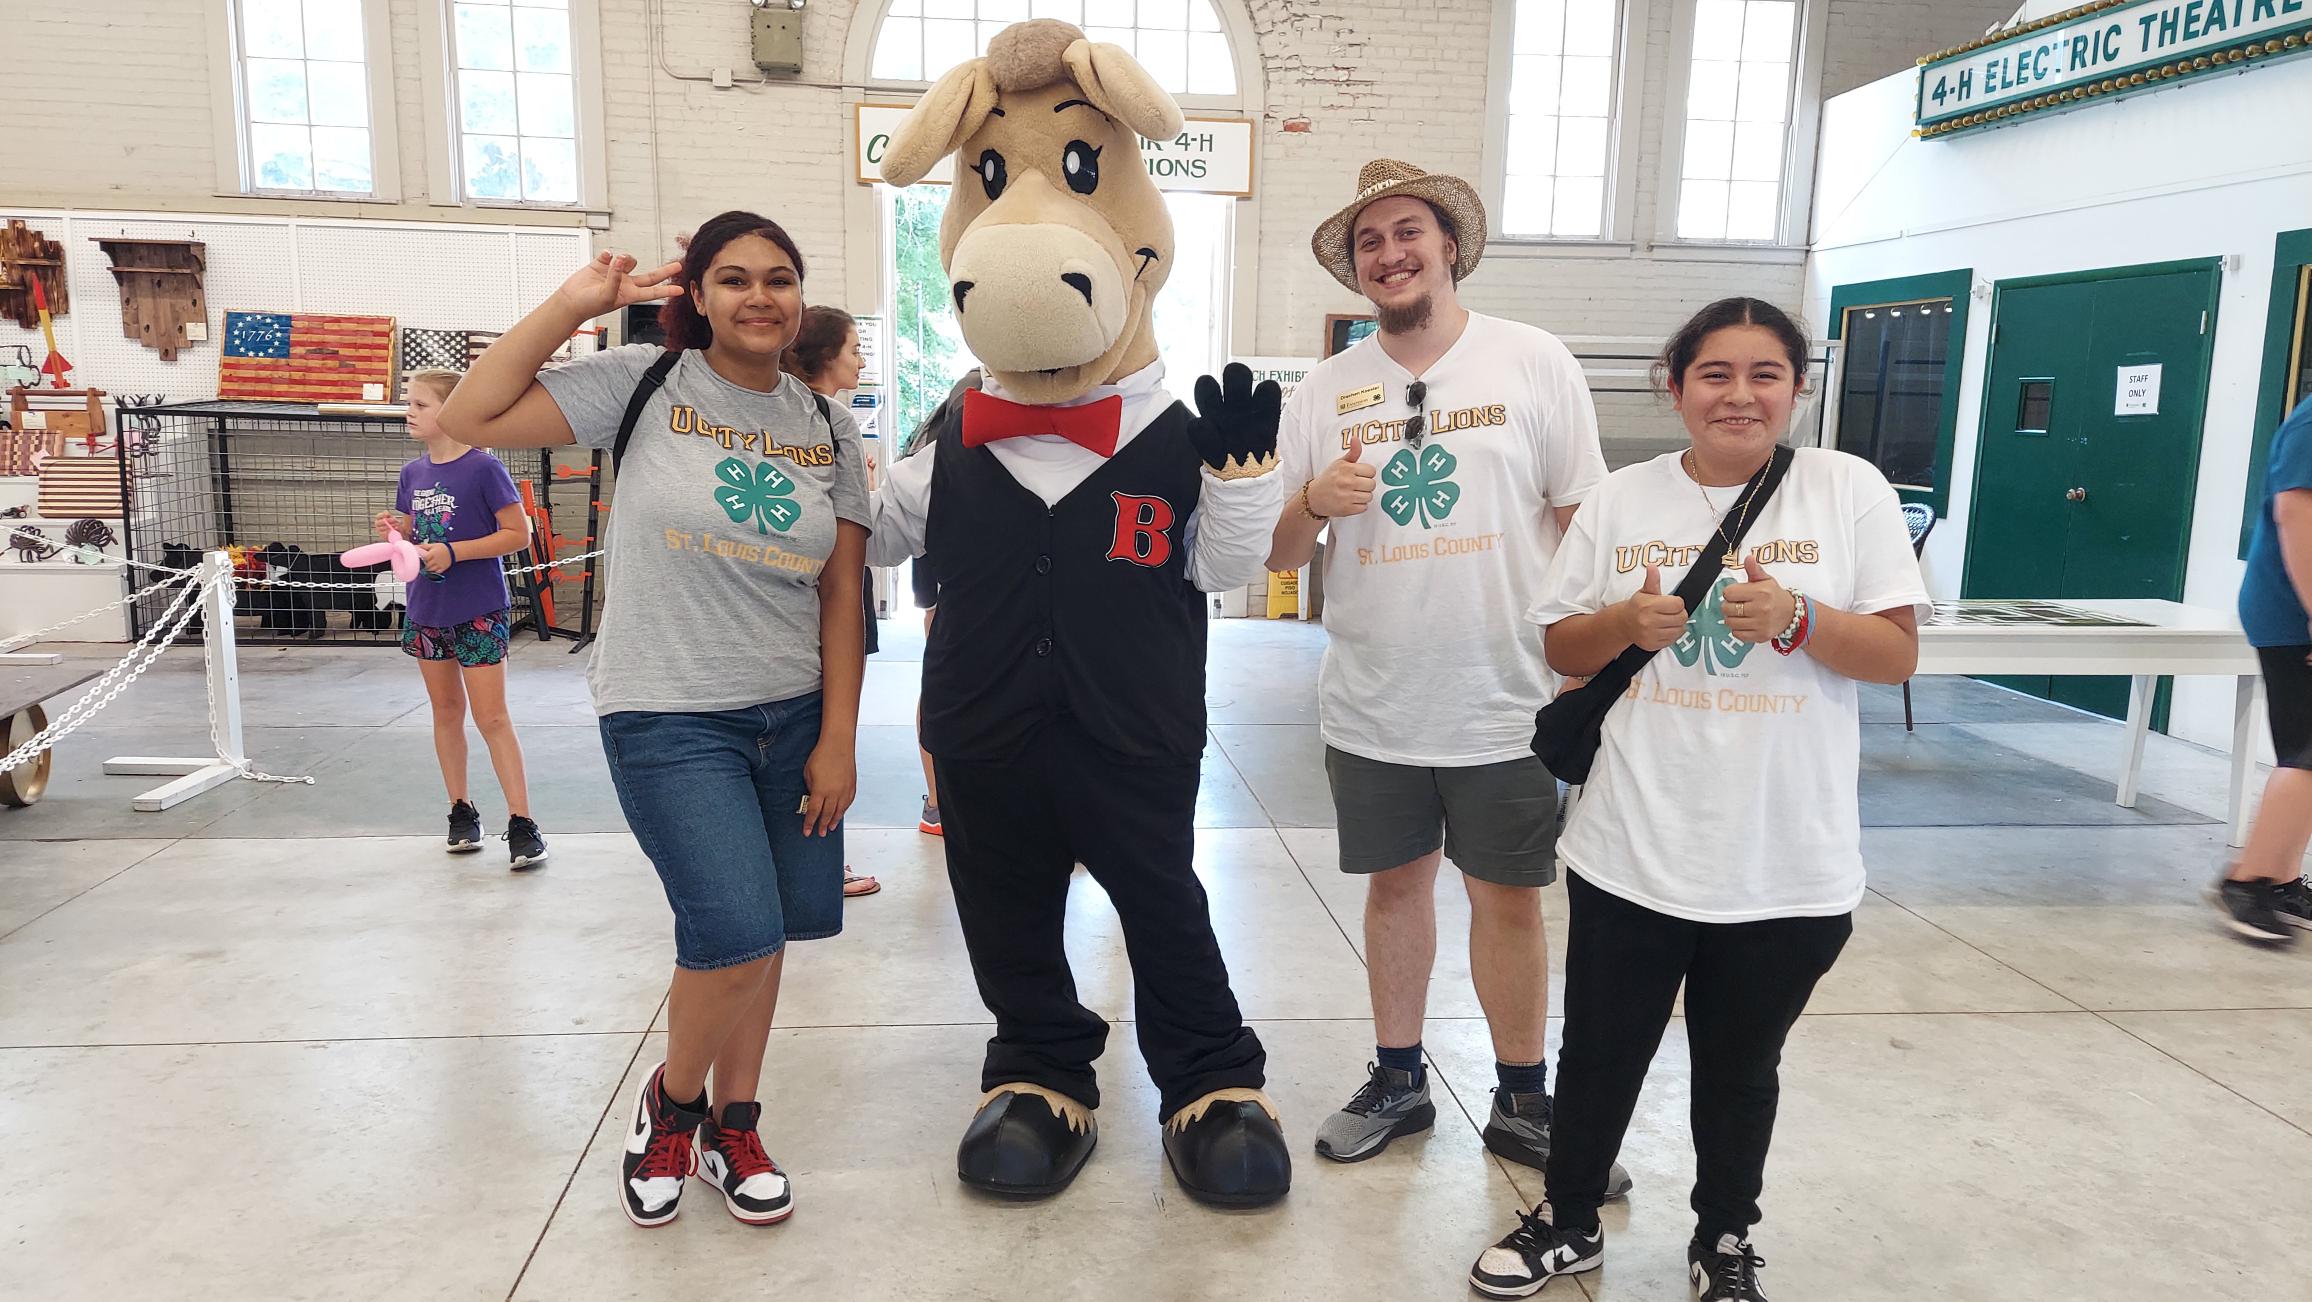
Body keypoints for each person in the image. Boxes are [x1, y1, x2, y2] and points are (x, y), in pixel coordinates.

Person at [1467, 297, 1929, 1301]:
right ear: (1673, 387)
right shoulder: (1623, 497)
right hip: (1634, 839)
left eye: (1764, 373)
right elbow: (1556, 645)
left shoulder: (1846, 490)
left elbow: (1895, 652)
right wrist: (1623, 620)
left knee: (1739, 1067)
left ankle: (1722, 1237)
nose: (1738, 394)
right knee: (1597, 1054)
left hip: (1784, 857)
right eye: (1713, 373)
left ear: (1796, 388)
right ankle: (1570, 1218)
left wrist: (1799, 618)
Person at [437, 210, 868, 1231]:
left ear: (798, 298)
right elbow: (472, 411)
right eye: (732, 279)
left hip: (792, 711)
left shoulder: (826, 422)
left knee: (770, 933)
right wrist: (574, 306)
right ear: (698, 297)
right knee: (732, 922)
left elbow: (842, 594)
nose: (757, 296)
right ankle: (671, 1109)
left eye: (777, 277)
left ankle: (737, 1122)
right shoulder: (642, 384)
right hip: (667, 711)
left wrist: (838, 738)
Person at [1267, 159, 1614, 1178]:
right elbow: (1279, 554)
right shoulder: (1324, 390)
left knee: (1507, 896)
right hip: (1373, 694)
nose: (1389, 253)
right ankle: (1397, 1077)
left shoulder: (1531, 361)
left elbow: (1578, 522)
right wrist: (1316, 505)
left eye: (1405, 232)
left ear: (1447, 246)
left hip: (1505, 692)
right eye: (1369, 242)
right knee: (1392, 890)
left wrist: (1583, 667)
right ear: (1354, 269)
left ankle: (1519, 1097)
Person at [374, 368, 546, 870]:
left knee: (491, 717)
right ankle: (460, 809)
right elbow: (419, 527)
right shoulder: (413, 473)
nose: (410, 411)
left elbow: (518, 533)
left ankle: (521, 822)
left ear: (450, 412)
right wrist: (398, 527)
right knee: (446, 713)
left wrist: (456, 551)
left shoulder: (484, 468)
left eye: (421, 405)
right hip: (427, 609)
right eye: (411, 403)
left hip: (477, 609)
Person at [782, 304, 883, 898]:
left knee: (829, 726)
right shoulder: (820, 420)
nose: (861, 361)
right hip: (810, 596)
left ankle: (818, 852)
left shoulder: (835, 423)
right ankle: (820, 854)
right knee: (817, 729)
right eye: (853, 350)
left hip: (839, 585)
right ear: (826, 356)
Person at [2213, 392, 2312, 943]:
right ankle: (2247, 881)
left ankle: (2281, 880)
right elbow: (2296, 511)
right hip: (2291, 612)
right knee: (2307, 752)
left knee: (2306, 753)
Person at [898, 369, 981, 839]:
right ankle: (937, 803)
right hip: (953, 575)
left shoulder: (939, 429)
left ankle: (938, 803)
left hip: (946, 577)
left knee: (942, 679)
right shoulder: (966, 411)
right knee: (944, 682)